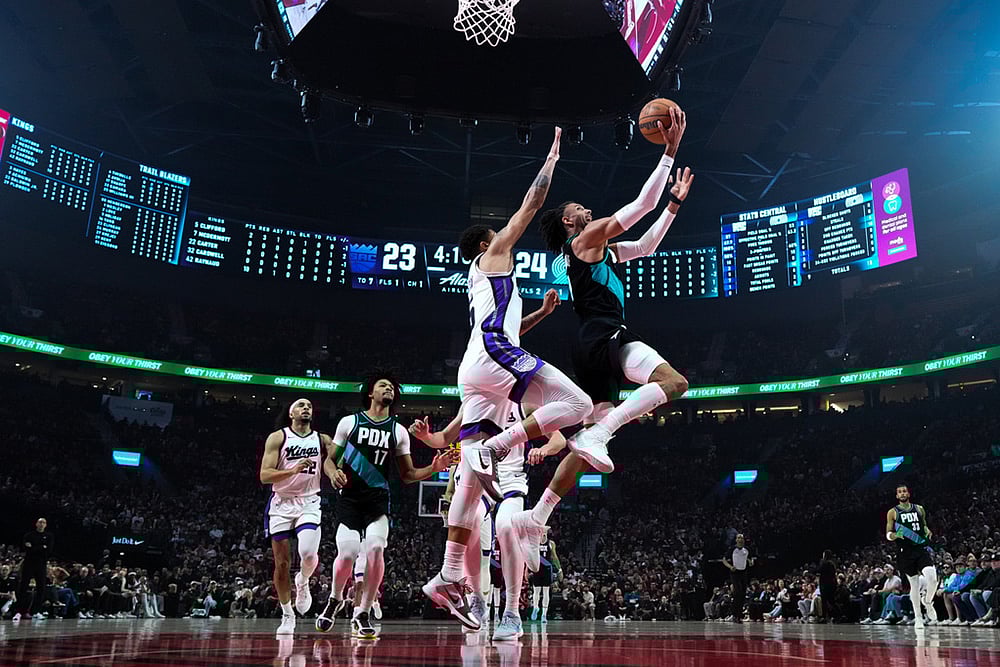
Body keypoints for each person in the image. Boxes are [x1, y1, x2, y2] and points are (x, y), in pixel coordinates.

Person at [422, 127, 593, 632]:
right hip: (497, 357)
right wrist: (553, 157)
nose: (508, 237)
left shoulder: (488, 281)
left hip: (477, 369)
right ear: (485, 242)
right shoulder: (494, 253)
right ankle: (505, 445)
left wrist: (538, 314)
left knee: (471, 480)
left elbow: (504, 325)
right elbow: (532, 200)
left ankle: (448, 575)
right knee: (578, 404)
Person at [516, 112, 694, 562]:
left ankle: (537, 517)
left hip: (592, 341)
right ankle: (600, 435)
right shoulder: (583, 242)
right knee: (674, 384)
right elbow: (639, 207)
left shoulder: (601, 251)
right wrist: (668, 151)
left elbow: (648, 243)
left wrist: (674, 205)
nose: (585, 209)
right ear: (569, 224)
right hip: (604, 334)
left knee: (592, 433)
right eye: (577, 208)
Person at [412, 396, 567, 640]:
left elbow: (558, 439)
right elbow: (443, 438)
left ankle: (512, 614)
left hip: (510, 478)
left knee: (507, 528)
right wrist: (424, 437)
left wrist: (543, 450)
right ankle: (477, 601)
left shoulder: (524, 405)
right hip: (478, 478)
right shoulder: (472, 403)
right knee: (471, 524)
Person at [316, 371, 455, 639]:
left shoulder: (398, 431)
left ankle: (363, 612)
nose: (388, 388)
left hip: (378, 500)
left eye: (391, 387)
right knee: (347, 554)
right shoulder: (349, 422)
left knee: (376, 548)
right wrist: (333, 474)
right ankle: (335, 599)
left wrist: (433, 468)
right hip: (349, 498)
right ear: (371, 392)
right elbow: (329, 460)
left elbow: (408, 475)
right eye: (383, 385)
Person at [259, 398, 334, 635]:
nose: (306, 408)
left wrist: (337, 468)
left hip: (309, 501)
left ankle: (302, 580)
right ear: (291, 412)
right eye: (301, 405)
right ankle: (287, 614)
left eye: (310, 406)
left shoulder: (322, 439)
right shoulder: (278, 437)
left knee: (308, 553)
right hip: (281, 502)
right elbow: (264, 475)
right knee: (281, 563)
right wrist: (292, 470)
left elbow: (340, 456)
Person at [885, 483, 938, 628]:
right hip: (905, 551)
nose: (902, 494)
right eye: (899, 492)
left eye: (904, 491)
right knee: (914, 584)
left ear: (908, 494)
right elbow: (888, 533)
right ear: (897, 496)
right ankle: (918, 617)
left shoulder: (919, 509)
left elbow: (924, 525)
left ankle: (927, 601)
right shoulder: (892, 512)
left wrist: (927, 531)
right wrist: (895, 535)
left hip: (920, 548)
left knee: (932, 578)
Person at [12, 518, 53, 621]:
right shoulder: (29, 535)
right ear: (36, 524)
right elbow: (27, 549)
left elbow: (48, 551)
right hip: (29, 564)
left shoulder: (49, 536)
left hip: (41, 565)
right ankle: (19, 611)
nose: (41, 524)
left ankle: (36, 612)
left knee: (41, 588)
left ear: (46, 525)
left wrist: (34, 547)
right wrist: (41, 547)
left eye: (43, 522)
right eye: (40, 522)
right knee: (23, 587)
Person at [529, 527, 562, 623]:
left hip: (547, 568)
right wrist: (528, 569)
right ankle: (535, 608)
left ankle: (544, 614)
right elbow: (530, 556)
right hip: (537, 569)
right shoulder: (534, 543)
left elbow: (554, 557)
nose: (543, 533)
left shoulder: (551, 543)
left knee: (546, 591)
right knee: (536, 591)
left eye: (544, 531)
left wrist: (559, 569)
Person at [722, 533, 752, 623]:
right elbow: (724, 560)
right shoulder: (732, 549)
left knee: (742, 593)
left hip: (743, 572)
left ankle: (739, 615)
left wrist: (751, 562)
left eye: (742, 538)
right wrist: (730, 567)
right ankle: (733, 614)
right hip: (735, 573)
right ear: (736, 540)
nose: (740, 539)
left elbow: (750, 559)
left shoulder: (747, 550)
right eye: (738, 538)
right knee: (737, 592)